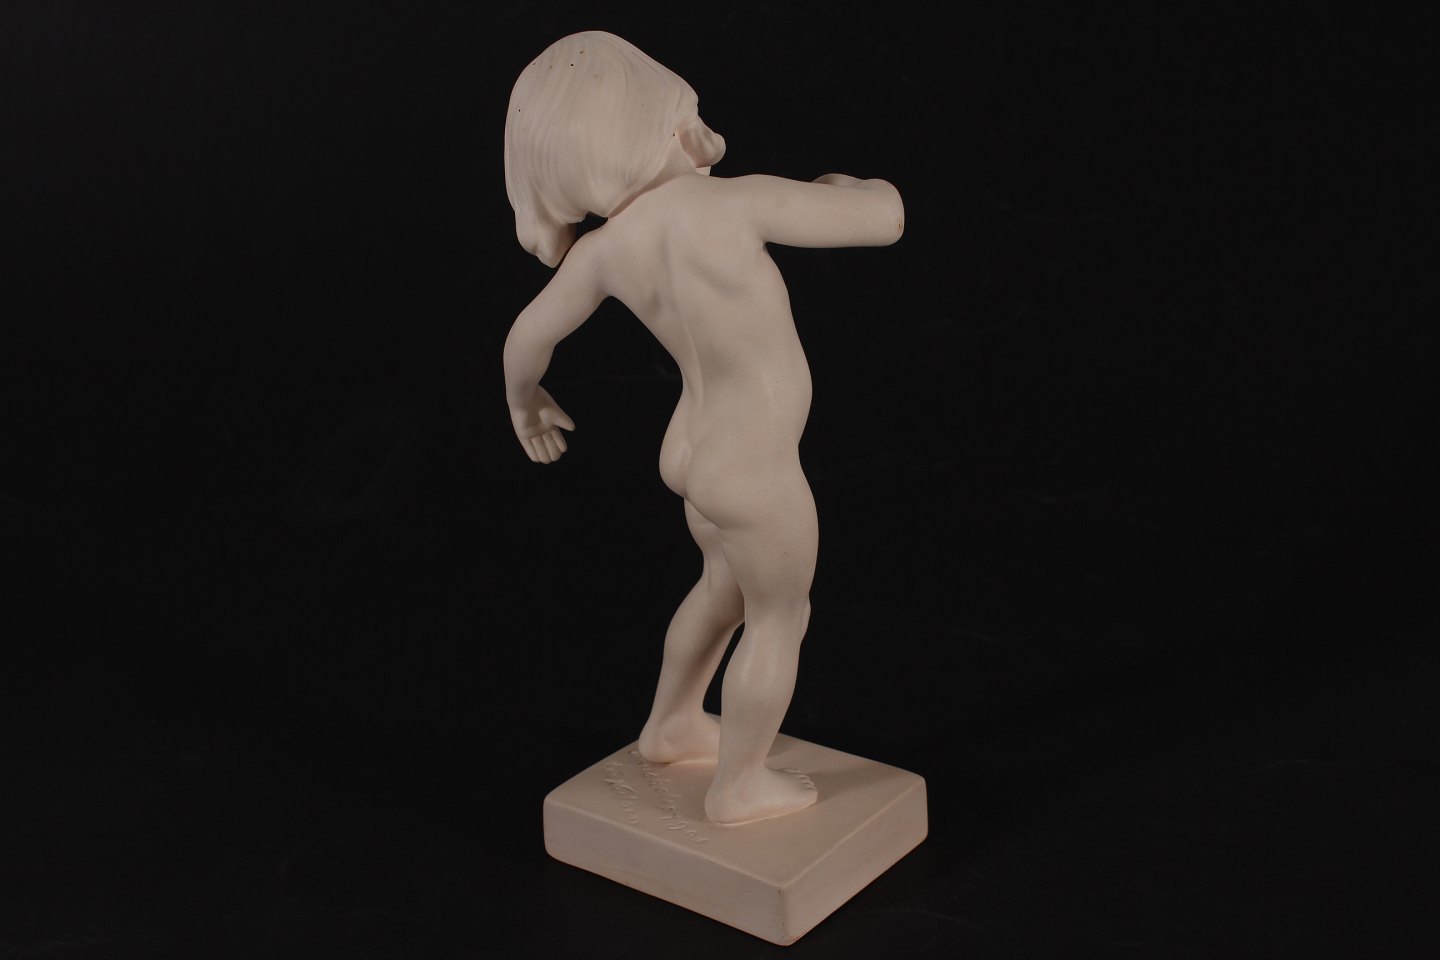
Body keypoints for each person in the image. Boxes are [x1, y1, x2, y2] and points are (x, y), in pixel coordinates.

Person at [502, 31, 903, 824]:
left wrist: (526, 402)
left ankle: (672, 724)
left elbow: (525, 340)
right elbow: (884, 217)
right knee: (781, 613)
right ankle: (739, 784)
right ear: (666, 123)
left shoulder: (604, 252)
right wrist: (847, 184)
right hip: (750, 458)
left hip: (692, 446)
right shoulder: (733, 202)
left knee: (723, 589)